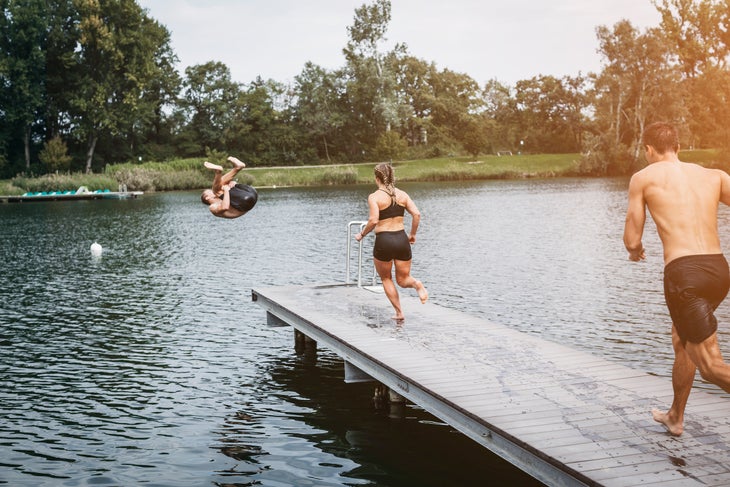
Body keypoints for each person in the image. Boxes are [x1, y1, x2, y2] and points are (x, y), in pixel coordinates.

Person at [623, 121, 730, 436]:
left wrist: (635, 251)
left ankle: (675, 416)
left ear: (648, 149)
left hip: (684, 275)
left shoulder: (643, 178)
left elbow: (631, 239)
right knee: (683, 341)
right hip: (719, 270)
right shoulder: (714, 176)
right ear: (679, 147)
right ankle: (675, 416)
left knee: (711, 366)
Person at [355, 162, 428, 321]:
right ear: (392, 177)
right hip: (402, 239)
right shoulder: (402, 194)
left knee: (386, 278)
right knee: (403, 280)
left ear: (377, 178)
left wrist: (362, 234)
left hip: (384, 241)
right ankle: (417, 284)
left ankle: (399, 313)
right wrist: (412, 234)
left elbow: (374, 220)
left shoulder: (374, 197)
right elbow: (417, 215)